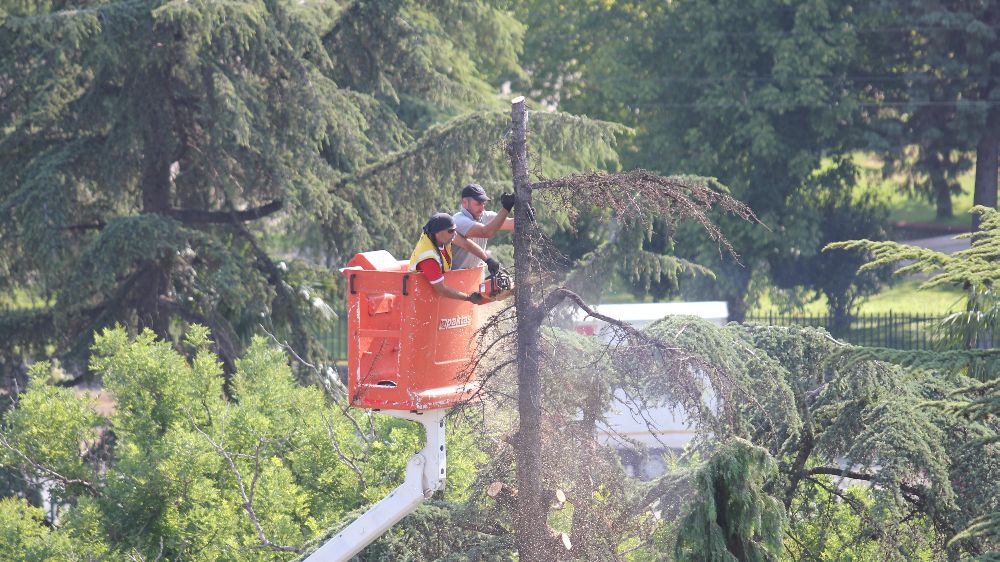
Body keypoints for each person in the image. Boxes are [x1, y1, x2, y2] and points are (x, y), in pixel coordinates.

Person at [409, 212, 501, 303]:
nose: (455, 234)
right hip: (423, 299)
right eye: (451, 231)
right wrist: (468, 298)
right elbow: (441, 290)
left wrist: (488, 259)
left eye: (455, 229)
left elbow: (466, 244)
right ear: (437, 232)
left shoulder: (441, 236)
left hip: (437, 294)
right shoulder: (428, 258)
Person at [450, 183, 515, 270]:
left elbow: (511, 224)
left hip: (475, 275)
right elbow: (486, 232)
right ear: (465, 202)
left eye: (483, 203)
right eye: (478, 203)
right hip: (455, 277)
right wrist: (506, 208)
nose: (482, 207)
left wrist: (525, 217)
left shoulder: (485, 216)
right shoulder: (458, 220)